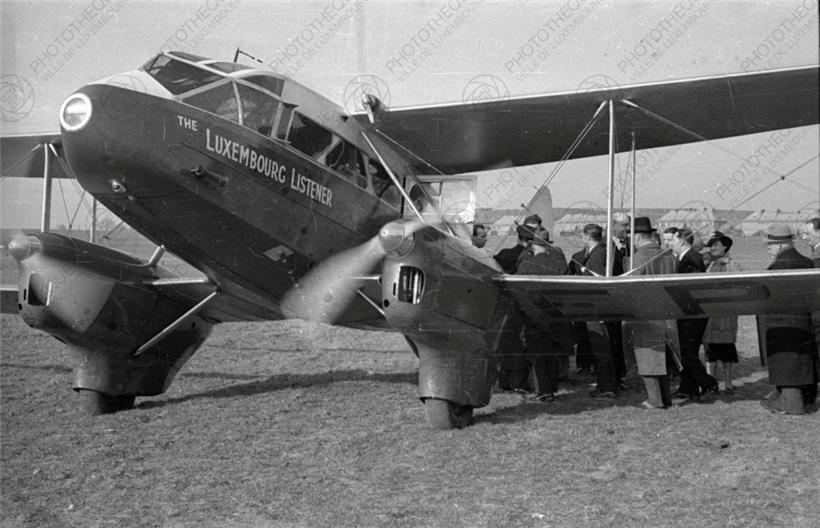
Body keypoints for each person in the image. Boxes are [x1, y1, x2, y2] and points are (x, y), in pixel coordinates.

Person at [758, 225, 818, 415]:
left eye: (770, 245)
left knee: (788, 373)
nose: (768, 248)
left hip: (782, 328)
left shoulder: (777, 267)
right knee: (803, 366)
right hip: (804, 325)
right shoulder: (808, 263)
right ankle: (804, 399)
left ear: (779, 245)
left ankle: (792, 405)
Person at [622, 217, 677, 408]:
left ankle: (654, 399)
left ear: (637, 237)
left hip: (645, 313)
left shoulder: (638, 258)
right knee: (662, 357)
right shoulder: (669, 255)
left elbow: (632, 288)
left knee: (646, 356)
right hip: (666, 312)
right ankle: (665, 397)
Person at [517, 228, 569, 401]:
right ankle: (552, 387)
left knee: (538, 355)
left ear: (533, 245)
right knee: (551, 353)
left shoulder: (526, 265)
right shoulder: (559, 263)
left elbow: (518, 289)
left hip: (534, 314)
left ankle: (544, 391)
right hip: (555, 314)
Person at [670, 227, 719, 401]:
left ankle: (708, 382)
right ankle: (688, 388)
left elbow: (691, 287)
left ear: (683, 241)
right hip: (687, 313)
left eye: (673, 241)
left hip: (692, 314)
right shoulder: (686, 257)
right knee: (687, 351)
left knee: (687, 353)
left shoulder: (692, 259)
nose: (670, 244)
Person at [569, 224, 618, 397]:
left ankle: (608, 387)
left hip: (597, 309)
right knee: (600, 348)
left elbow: (598, 284)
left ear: (588, 237)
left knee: (601, 349)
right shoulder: (598, 252)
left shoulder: (597, 255)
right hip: (596, 308)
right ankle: (605, 385)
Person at [701, 234, 741, 394]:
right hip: (711, 314)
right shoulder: (709, 265)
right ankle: (711, 380)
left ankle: (728, 381)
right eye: (711, 246)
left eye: (715, 245)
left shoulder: (734, 265)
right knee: (710, 349)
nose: (712, 249)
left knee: (726, 348)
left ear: (725, 246)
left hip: (726, 315)